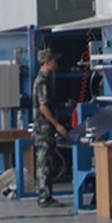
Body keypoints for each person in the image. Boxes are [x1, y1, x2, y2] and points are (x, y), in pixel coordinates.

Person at [32, 48, 68, 206]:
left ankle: (44, 194)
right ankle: (44, 197)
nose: (56, 63)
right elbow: (43, 107)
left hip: (44, 128)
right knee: (44, 162)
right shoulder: (42, 81)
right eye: (54, 60)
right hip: (44, 128)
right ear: (47, 62)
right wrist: (57, 125)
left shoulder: (45, 80)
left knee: (47, 161)